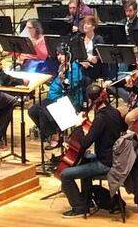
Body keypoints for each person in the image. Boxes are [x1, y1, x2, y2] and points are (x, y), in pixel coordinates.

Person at [59, 83, 125, 217]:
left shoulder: (100, 118)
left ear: (90, 100)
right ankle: (87, 202)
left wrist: (78, 126)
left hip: (106, 163)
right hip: (115, 157)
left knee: (65, 174)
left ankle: (79, 208)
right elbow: (118, 128)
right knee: (84, 160)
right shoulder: (114, 111)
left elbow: (84, 143)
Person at [30, 44, 85, 148]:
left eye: (61, 54)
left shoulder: (74, 67)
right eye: (58, 54)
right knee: (32, 111)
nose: (59, 57)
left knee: (43, 108)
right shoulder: (61, 66)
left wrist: (63, 79)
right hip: (54, 97)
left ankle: (56, 136)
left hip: (68, 100)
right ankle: (49, 133)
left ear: (68, 55)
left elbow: (72, 85)